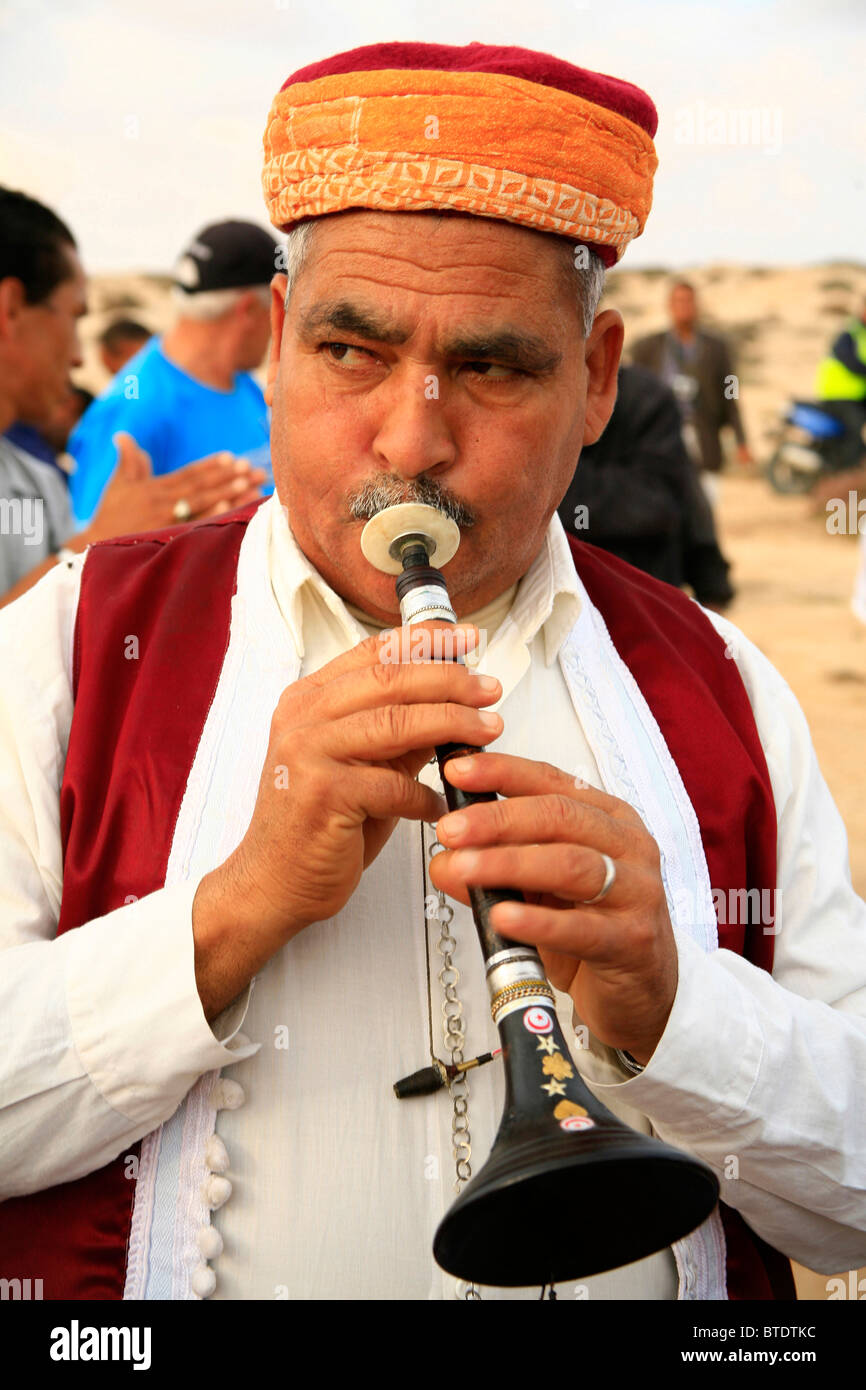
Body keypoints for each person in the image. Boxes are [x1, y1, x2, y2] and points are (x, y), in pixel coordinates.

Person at [0, 42, 864, 1305]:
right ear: (280, 340)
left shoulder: (721, 685)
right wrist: (230, 912)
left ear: (597, 381)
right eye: (351, 351)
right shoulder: (67, 647)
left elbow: (845, 1207)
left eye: (492, 366)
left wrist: (674, 1008)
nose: (410, 441)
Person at [0, 188, 266, 604]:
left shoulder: (39, 479)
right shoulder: (132, 405)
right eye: (74, 317)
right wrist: (98, 546)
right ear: (11, 310)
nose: (76, 358)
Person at [68, 220, 278, 521]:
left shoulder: (244, 384)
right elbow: (89, 552)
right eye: (276, 306)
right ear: (247, 310)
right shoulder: (132, 405)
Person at [557, 362, 734, 607]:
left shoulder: (649, 398)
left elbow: (665, 499)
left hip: (644, 592)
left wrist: (711, 580)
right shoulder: (533, 398)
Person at [631, 280, 753, 484]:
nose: (684, 306)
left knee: (707, 497)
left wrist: (741, 442)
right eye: (679, 301)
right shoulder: (649, 348)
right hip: (661, 439)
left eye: (688, 301)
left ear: (697, 305)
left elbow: (730, 396)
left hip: (704, 437)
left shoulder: (716, 349)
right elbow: (635, 395)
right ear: (669, 306)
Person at [814, 296, 866, 470]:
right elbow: (851, 362)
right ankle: (847, 474)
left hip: (858, 397)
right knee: (856, 433)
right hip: (840, 396)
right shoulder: (850, 333)